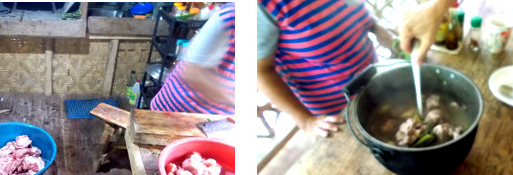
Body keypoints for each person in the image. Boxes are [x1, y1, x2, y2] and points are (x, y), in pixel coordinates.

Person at [257, 0, 398, 138]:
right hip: (337, 112)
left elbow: (353, 7)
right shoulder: (261, 7)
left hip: (374, 83)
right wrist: (306, 122)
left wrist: (376, 26)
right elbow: (259, 72)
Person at [150, 3, 236, 115]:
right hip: (178, 108)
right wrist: (233, 101)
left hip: (210, 117)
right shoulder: (231, 16)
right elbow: (191, 72)